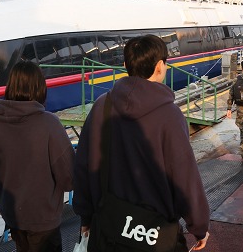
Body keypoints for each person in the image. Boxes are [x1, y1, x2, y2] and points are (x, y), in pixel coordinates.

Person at [72, 35, 210, 251]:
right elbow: (184, 175)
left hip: (109, 230)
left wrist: (85, 216)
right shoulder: (170, 115)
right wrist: (199, 226)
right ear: (160, 66)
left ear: (125, 65)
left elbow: (84, 165)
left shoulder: (102, 107)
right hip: (154, 235)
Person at [0, 61, 74, 252]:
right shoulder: (49, 124)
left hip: (13, 216)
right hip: (44, 220)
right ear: (40, 88)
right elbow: (69, 178)